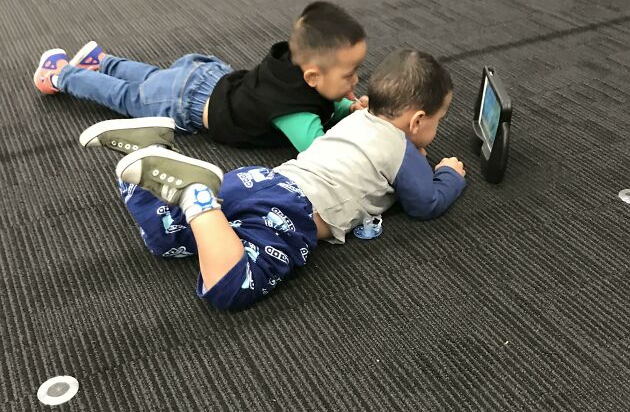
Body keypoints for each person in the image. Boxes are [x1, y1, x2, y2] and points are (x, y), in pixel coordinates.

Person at [77, 49, 467, 310]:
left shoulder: (356, 116)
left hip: (258, 181)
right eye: (438, 120)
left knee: (167, 238)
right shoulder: (399, 146)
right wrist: (449, 173)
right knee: (231, 287)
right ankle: (196, 194)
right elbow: (426, 203)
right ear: (417, 121)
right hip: (290, 213)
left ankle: (146, 159)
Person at [33, 2, 369, 155]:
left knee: (151, 79)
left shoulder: (291, 66)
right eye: (349, 74)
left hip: (208, 76)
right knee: (128, 97)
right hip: (188, 105)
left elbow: (325, 102)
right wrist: (360, 129)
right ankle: (62, 74)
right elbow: (320, 149)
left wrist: (348, 109)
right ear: (311, 76)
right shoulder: (292, 111)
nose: (356, 81)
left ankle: (102, 61)